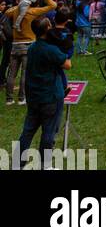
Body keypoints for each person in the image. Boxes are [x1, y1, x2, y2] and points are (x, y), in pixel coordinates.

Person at [17, 16, 71, 165]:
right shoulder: (51, 49)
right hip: (50, 96)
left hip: (34, 95)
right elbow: (67, 64)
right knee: (49, 132)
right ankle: (44, 165)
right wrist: (66, 47)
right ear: (48, 29)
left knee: (28, 131)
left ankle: (18, 162)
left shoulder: (33, 47)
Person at [5, 0, 56, 106]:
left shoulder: (15, 11)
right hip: (28, 44)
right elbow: (53, 5)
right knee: (25, 72)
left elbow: (7, 12)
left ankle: (9, 99)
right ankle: (22, 98)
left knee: (12, 73)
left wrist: (19, 5)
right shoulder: (32, 12)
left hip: (15, 44)